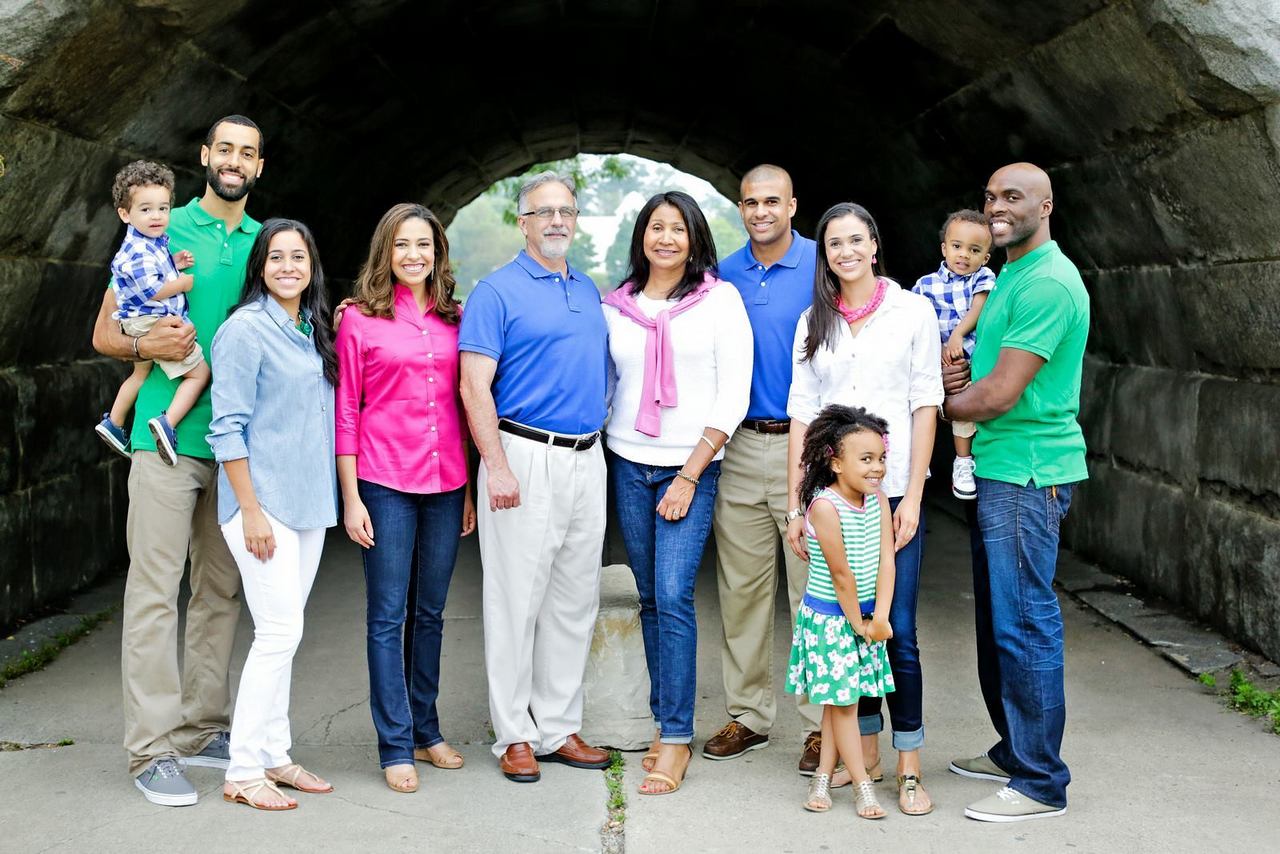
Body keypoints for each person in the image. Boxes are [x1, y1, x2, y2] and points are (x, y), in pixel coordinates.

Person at [92, 114, 265, 806]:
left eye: (247, 152)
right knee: (156, 593)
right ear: (204, 155)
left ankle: (201, 728)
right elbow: (105, 330)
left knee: (221, 591)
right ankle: (151, 750)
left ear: (259, 164)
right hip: (162, 443)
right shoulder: (161, 224)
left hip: (231, 450)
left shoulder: (266, 242)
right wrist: (145, 350)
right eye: (224, 148)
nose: (234, 160)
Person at [942, 162, 1089, 823]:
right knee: (1001, 623)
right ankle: (1015, 751)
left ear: (1046, 205)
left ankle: (1040, 782)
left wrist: (937, 405)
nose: (997, 207)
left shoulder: (1051, 282)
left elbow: (999, 394)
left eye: (1013, 197)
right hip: (1002, 470)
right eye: (991, 196)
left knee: (1026, 623)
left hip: (1030, 474)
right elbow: (991, 371)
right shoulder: (1011, 277)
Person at [787, 202, 942, 816]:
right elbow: (802, 408)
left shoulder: (912, 312)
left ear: (875, 245)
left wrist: (914, 496)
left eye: (856, 240)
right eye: (833, 244)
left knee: (893, 628)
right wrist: (799, 502)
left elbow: (925, 402)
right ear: (824, 256)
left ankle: (909, 766)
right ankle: (866, 756)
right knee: (849, 632)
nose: (845, 251)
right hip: (831, 495)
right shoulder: (812, 321)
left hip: (892, 489)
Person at [458, 171, 611, 783]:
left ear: (576, 221)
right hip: (521, 455)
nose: (555, 221)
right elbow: (474, 386)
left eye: (565, 211)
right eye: (542, 212)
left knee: (574, 600)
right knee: (515, 602)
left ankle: (557, 726)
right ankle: (515, 735)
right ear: (521, 223)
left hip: (586, 457)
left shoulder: (590, 290)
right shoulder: (495, 292)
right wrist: (494, 465)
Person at [602, 191, 753, 795]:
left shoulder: (719, 301)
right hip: (628, 463)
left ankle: (675, 737)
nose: (666, 238)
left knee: (673, 594)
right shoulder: (616, 305)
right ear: (641, 236)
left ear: (695, 238)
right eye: (655, 227)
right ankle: (667, 715)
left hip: (689, 465)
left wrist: (690, 473)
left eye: (678, 228)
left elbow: (733, 392)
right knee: (648, 598)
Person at [335, 203, 476, 794]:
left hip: (445, 484)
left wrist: (467, 487)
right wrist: (351, 497)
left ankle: (426, 728)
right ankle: (394, 744)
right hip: (384, 483)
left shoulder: (456, 319)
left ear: (438, 252)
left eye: (424, 244)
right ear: (384, 253)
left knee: (431, 614)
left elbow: (465, 408)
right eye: (401, 245)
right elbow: (346, 410)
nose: (413, 255)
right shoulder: (358, 321)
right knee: (387, 616)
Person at [207, 218, 338, 811]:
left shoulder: (310, 328)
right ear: (260, 265)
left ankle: (275, 755)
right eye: (277, 257)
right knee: (278, 633)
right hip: (262, 507)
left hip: (308, 504)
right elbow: (226, 428)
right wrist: (251, 512)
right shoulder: (244, 330)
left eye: (299, 257)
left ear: (312, 267)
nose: (289, 267)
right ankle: (241, 769)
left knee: (287, 633)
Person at [706, 164, 824, 773]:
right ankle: (748, 715)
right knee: (743, 590)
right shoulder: (720, 274)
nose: (760, 212)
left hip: (809, 449)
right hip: (743, 446)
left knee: (812, 592)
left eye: (772, 201)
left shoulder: (823, 265)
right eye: (750, 202)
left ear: (793, 205)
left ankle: (817, 725)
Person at [786, 404, 895, 819]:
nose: (877, 468)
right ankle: (864, 786)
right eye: (865, 459)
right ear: (835, 462)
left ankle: (821, 781)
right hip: (833, 620)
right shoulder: (825, 508)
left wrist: (880, 616)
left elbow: (887, 560)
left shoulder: (878, 501)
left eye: (881, 458)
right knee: (846, 705)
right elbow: (840, 574)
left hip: (865, 619)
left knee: (837, 703)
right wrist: (859, 625)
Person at [95, 160, 209, 465]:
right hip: (150, 320)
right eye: (145, 209)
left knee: (140, 372)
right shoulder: (136, 250)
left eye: (163, 208)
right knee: (199, 375)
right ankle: (168, 423)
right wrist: (182, 283)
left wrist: (175, 262)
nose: (157, 216)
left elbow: (155, 267)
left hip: (137, 321)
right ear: (124, 213)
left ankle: (115, 422)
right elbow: (151, 290)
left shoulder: (150, 242)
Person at [910, 210, 995, 500]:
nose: (964, 255)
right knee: (921, 405)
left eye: (974, 250)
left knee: (962, 407)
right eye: (957, 246)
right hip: (933, 357)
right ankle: (918, 462)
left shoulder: (983, 278)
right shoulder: (926, 284)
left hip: (966, 356)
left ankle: (962, 461)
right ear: (944, 248)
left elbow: (978, 310)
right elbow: (915, 322)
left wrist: (957, 335)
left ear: (985, 257)